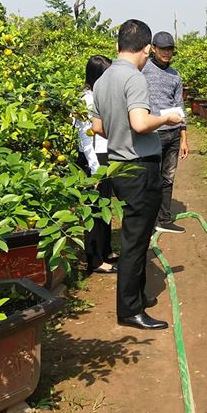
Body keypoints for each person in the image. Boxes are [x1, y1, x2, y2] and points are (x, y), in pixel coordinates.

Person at [91, 20, 182, 331]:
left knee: (135, 235)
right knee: (136, 241)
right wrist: (167, 116)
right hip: (140, 165)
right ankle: (129, 310)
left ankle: (137, 297)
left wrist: (120, 129)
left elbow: (98, 128)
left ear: (118, 46)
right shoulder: (136, 78)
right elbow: (140, 123)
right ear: (146, 49)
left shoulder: (102, 81)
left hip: (117, 164)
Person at [142, 30, 188, 234]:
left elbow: (180, 105)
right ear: (153, 48)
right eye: (162, 49)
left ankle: (165, 218)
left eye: (169, 49)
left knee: (168, 177)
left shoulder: (175, 75)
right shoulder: (143, 70)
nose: (166, 53)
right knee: (150, 178)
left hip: (173, 134)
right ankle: (146, 220)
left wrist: (184, 137)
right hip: (153, 133)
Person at [74, 55, 116, 274]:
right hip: (94, 159)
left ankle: (106, 251)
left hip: (104, 155)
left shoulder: (98, 97)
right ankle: (95, 260)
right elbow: (85, 137)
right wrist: (94, 169)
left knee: (105, 206)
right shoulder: (86, 100)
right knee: (94, 209)